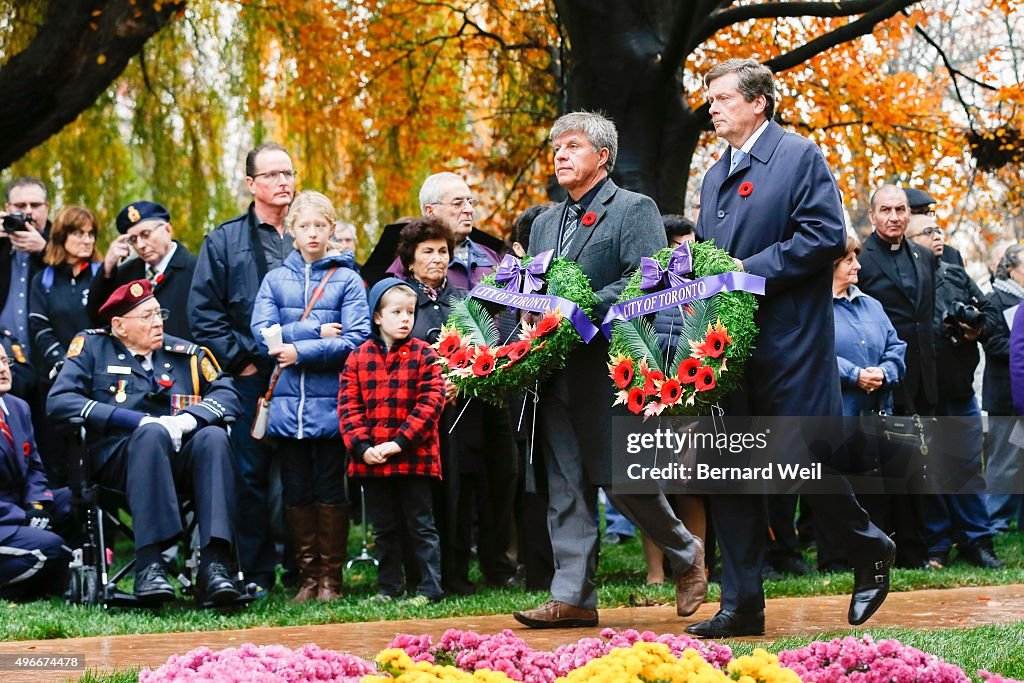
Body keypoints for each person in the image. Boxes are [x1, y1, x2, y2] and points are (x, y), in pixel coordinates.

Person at [688, 59, 895, 638]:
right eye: (711, 99)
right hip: (729, 349)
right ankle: (742, 604)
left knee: (800, 463)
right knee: (728, 470)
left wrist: (743, 272)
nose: (713, 107)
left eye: (724, 97)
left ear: (758, 102)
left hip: (791, 345)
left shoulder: (798, 155)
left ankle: (869, 546)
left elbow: (825, 235)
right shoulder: (712, 175)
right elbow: (710, 257)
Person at [513, 111, 706, 630]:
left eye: (572, 146)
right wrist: (526, 312)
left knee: (622, 481)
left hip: (610, 371)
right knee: (566, 484)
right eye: (556, 147)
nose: (560, 155)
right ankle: (572, 595)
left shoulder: (633, 209)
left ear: (602, 156)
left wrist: (577, 308)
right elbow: (533, 288)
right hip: (554, 371)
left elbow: (647, 284)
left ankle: (687, 554)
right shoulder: (545, 222)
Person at [48, 279, 242, 605]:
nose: (158, 322)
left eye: (158, 313)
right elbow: (60, 401)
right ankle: (150, 564)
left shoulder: (186, 354)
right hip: (118, 459)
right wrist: (136, 420)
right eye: (147, 316)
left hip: (178, 456)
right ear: (119, 326)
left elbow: (227, 394)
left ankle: (214, 566)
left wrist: (188, 419)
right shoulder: (92, 348)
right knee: (151, 433)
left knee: (213, 437)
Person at [251, 191, 370, 603]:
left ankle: (330, 580)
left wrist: (297, 349)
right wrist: (315, 332)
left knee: (330, 489)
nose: (313, 233)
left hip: (332, 403)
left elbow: (356, 339)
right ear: (292, 232)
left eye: (320, 225)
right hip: (287, 405)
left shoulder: (347, 280)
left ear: (331, 229)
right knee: (296, 490)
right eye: (304, 226)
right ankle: (306, 576)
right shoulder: (275, 280)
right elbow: (263, 332)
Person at [189, 142, 297, 592]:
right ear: (251, 184)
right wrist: (242, 364)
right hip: (251, 379)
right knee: (249, 475)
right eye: (272, 175)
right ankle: (256, 572)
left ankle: (305, 571)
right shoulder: (224, 240)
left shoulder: (309, 233)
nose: (283, 183)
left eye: (288, 173)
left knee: (302, 472)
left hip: (306, 373)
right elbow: (203, 314)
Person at [396, 216, 519, 594]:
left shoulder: (462, 301)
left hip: (462, 413)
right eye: (427, 252)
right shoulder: (400, 301)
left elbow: (486, 349)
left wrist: (462, 379)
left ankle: (459, 573)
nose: (437, 259)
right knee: (423, 497)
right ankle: (421, 575)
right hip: (416, 417)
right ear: (410, 259)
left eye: (442, 251)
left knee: (463, 492)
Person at [905, 215, 1004, 569]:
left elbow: (991, 316)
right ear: (910, 239)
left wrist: (973, 330)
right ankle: (938, 545)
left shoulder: (956, 273)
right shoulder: (901, 279)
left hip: (960, 389)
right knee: (929, 470)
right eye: (928, 232)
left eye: (939, 231)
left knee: (965, 468)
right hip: (921, 393)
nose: (937, 237)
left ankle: (979, 542)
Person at [339, 278, 445, 605]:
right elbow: (348, 406)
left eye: (410, 312)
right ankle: (388, 588)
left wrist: (399, 442)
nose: (405, 319)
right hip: (372, 462)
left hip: (413, 458)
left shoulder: (424, 355)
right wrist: (362, 447)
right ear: (377, 317)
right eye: (396, 312)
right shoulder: (358, 358)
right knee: (384, 529)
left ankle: (429, 588)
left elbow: (431, 403)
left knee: (421, 526)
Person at [855, 184, 936, 569]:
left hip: (921, 378)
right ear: (872, 216)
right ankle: (878, 549)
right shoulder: (862, 260)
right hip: (878, 378)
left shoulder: (923, 256)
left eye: (901, 209)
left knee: (915, 469)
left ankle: (916, 549)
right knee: (880, 471)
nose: (894, 217)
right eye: (885, 210)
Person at [0, 344, 72, 601]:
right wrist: (23, 517)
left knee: (78, 500)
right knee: (52, 549)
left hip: (16, 504)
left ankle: (73, 576)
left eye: (5, 361)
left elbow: (34, 468)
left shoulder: (18, 407)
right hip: (4, 517)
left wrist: (38, 505)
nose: (3, 370)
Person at [88, 201, 198, 339]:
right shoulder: (126, 274)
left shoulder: (196, 269)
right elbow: (97, 316)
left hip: (184, 356)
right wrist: (107, 269)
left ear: (168, 230)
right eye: (133, 240)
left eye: (146, 234)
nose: (140, 245)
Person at [387, 172, 501, 289]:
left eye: (470, 202)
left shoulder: (492, 257)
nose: (469, 209)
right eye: (458, 203)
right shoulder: (410, 262)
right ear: (430, 211)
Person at [29, 205, 102, 384]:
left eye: (91, 234)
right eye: (78, 233)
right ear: (62, 236)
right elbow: (40, 327)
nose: (87, 240)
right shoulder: (43, 279)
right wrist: (64, 362)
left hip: (99, 371)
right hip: (57, 374)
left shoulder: (102, 275)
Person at [983, 244, 1024, 532]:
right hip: (1005, 394)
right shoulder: (993, 299)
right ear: (1011, 269)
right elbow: (993, 343)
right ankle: (994, 520)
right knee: (1004, 462)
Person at [1, 177, 50, 345]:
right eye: (20, 206)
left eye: (35, 205)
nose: (28, 212)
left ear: (47, 208)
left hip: (46, 353)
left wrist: (45, 251)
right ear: (7, 209)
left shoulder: (62, 242)